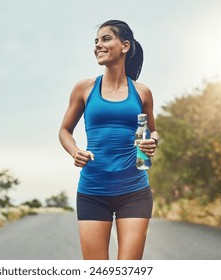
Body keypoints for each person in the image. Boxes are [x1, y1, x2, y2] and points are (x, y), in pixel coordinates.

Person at [59, 20, 159, 260]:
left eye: (105, 39)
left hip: (134, 190)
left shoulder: (142, 92)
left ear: (125, 46)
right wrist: (75, 152)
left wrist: (152, 141)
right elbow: (64, 130)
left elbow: (153, 131)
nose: (98, 45)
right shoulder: (84, 88)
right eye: (96, 41)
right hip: (93, 190)